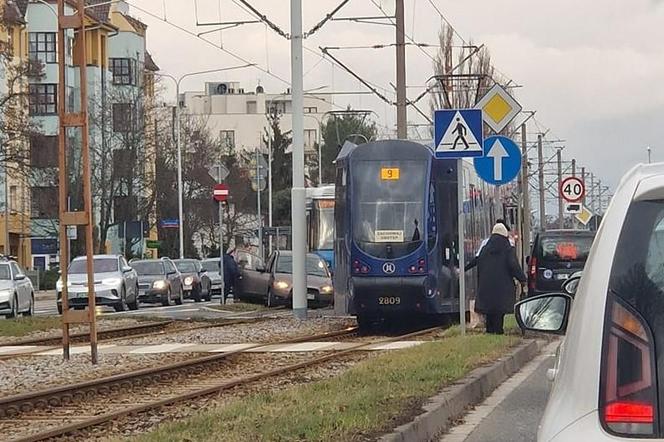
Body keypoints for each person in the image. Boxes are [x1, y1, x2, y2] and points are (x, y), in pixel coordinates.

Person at [475, 223, 527, 334]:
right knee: (499, 313)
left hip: (486, 286)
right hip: (503, 288)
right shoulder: (508, 249)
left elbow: (479, 264)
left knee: (489, 312)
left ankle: (489, 330)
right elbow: (513, 266)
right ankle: (498, 330)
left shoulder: (485, 249)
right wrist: (522, 279)